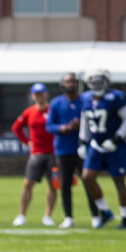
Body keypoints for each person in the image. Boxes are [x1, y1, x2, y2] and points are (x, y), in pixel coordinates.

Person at [79, 69, 126, 229]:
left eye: (100, 82)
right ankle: (104, 211)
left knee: (119, 181)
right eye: (94, 82)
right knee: (87, 177)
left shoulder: (115, 97)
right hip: (96, 145)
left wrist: (117, 138)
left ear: (106, 82)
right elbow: (85, 121)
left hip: (115, 146)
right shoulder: (85, 99)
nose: (97, 85)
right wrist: (83, 142)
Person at [46, 72, 96, 229]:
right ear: (62, 84)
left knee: (88, 182)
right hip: (63, 149)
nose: (71, 84)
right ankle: (68, 217)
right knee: (65, 185)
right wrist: (63, 128)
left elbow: (94, 121)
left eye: (73, 81)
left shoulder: (85, 101)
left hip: (82, 148)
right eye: (68, 81)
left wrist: (80, 124)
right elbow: (49, 126)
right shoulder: (56, 103)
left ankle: (96, 215)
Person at [11, 83, 57, 227]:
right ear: (32, 96)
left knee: (53, 185)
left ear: (46, 94)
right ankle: (22, 215)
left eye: (41, 93)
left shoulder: (52, 110)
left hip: (53, 153)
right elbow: (16, 127)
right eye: (36, 94)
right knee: (28, 183)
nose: (39, 96)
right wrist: (27, 141)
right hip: (36, 153)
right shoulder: (29, 112)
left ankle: (48, 216)